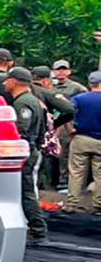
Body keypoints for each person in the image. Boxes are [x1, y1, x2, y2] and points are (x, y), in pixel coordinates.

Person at [3, 67, 48, 242]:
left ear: (14, 81)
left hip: (24, 151)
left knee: (25, 190)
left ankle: (38, 227)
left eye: (7, 80)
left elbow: (21, 129)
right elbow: (42, 129)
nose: (4, 83)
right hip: (31, 148)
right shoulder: (34, 101)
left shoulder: (22, 103)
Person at [30, 65, 74, 189]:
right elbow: (69, 110)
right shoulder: (46, 93)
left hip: (19, 133)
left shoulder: (21, 90)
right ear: (46, 80)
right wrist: (53, 125)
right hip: (40, 134)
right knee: (38, 165)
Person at [65, 70, 101, 215]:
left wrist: (70, 129)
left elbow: (66, 113)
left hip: (81, 138)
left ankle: (71, 204)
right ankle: (98, 205)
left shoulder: (79, 98)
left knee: (76, 172)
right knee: (100, 174)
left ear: (90, 83)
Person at [51, 60, 87, 190]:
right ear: (53, 71)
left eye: (64, 69)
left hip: (68, 124)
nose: (61, 72)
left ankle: (65, 180)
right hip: (51, 123)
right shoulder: (49, 86)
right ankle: (48, 181)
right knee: (50, 153)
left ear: (69, 71)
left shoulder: (77, 88)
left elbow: (85, 103)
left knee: (65, 153)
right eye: (58, 69)